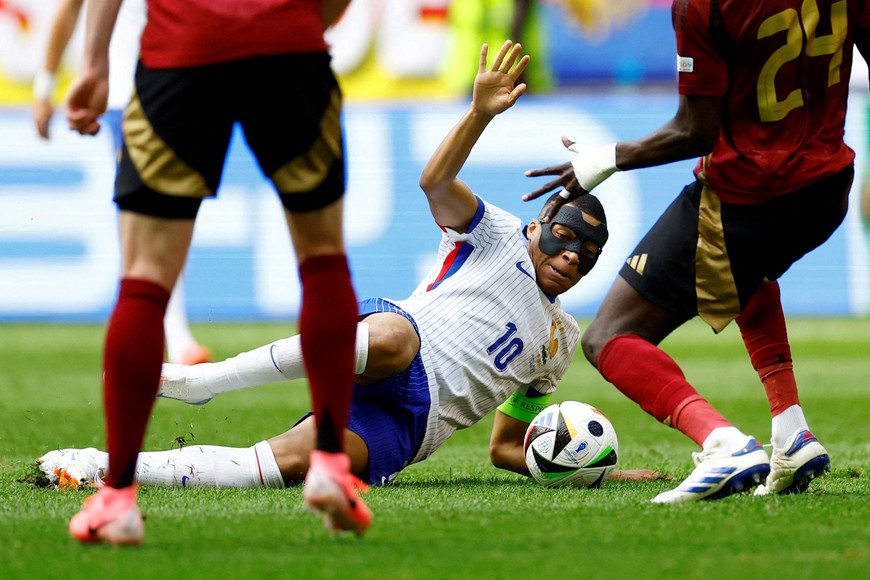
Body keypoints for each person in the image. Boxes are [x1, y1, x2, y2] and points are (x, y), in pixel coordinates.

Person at [41, 40, 663, 494]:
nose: (567, 257)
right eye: (560, 238)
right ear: (536, 226)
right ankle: (205, 384)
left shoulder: (559, 344)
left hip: (412, 424)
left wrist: (595, 469)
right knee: (391, 341)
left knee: (287, 464)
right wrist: (479, 114)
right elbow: (434, 179)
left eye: (584, 256)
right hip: (400, 342)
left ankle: (98, 466)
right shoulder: (497, 235)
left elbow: (507, 446)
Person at [523, 0, 870, 503]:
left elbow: (696, 130)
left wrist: (602, 160)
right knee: (748, 271)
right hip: (826, 190)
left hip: (748, 198)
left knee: (609, 336)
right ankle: (791, 432)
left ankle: (722, 443)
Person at [63, 0, 368, 544]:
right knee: (323, 258)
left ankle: (118, 499)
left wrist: (93, 62)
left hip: (180, 51)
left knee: (145, 279)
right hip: (290, 48)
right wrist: (300, 25)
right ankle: (327, 462)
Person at [33, 0, 211, 366]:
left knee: (171, 210)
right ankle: (172, 334)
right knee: (152, 212)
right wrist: (44, 86)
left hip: (179, 83)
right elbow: (69, 9)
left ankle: (164, 332)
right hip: (127, 91)